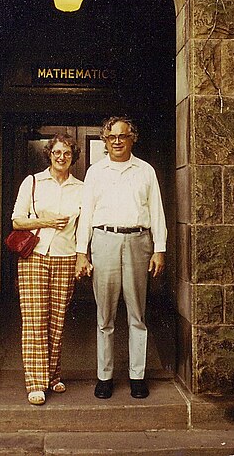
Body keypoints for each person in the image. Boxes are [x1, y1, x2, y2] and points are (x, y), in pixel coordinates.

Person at [75, 116, 166, 400]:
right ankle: (105, 376)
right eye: (112, 137)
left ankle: (137, 376)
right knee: (106, 315)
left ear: (132, 138)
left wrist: (159, 248)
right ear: (105, 140)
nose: (117, 141)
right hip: (104, 241)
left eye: (122, 136)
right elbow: (86, 213)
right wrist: (82, 252)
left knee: (137, 313)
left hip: (139, 241)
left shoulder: (145, 171)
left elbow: (157, 211)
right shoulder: (95, 172)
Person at [11, 133, 83, 405]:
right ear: (49, 155)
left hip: (65, 256)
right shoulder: (32, 182)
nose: (61, 157)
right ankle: (36, 383)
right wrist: (45, 220)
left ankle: (53, 375)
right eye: (56, 152)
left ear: (73, 157)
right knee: (34, 320)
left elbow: (84, 227)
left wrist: (80, 257)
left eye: (66, 153)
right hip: (34, 256)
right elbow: (17, 221)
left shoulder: (81, 188)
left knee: (57, 319)